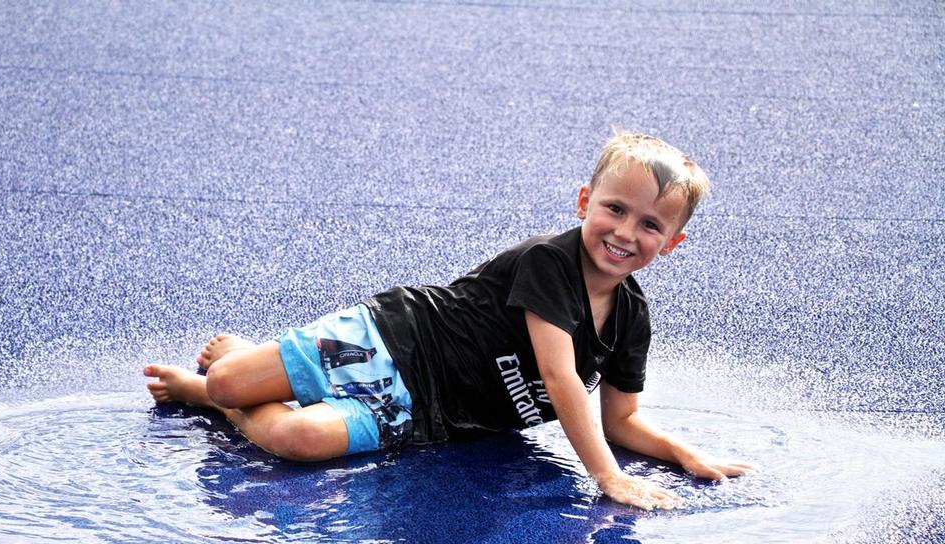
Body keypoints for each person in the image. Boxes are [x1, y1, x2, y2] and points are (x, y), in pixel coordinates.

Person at [144, 131, 753, 510]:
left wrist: (683, 454)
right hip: (395, 339)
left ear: (671, 243)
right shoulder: (549, 263)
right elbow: (561, 378)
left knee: (296, 442)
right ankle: (215, 388)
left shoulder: (631, 318)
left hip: (429, 411)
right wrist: (606, 478)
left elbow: (621, 420)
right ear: (583, 203)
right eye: (615, 209)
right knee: (226, 379)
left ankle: (227, 398)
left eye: (650, 225)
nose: (625, 233)